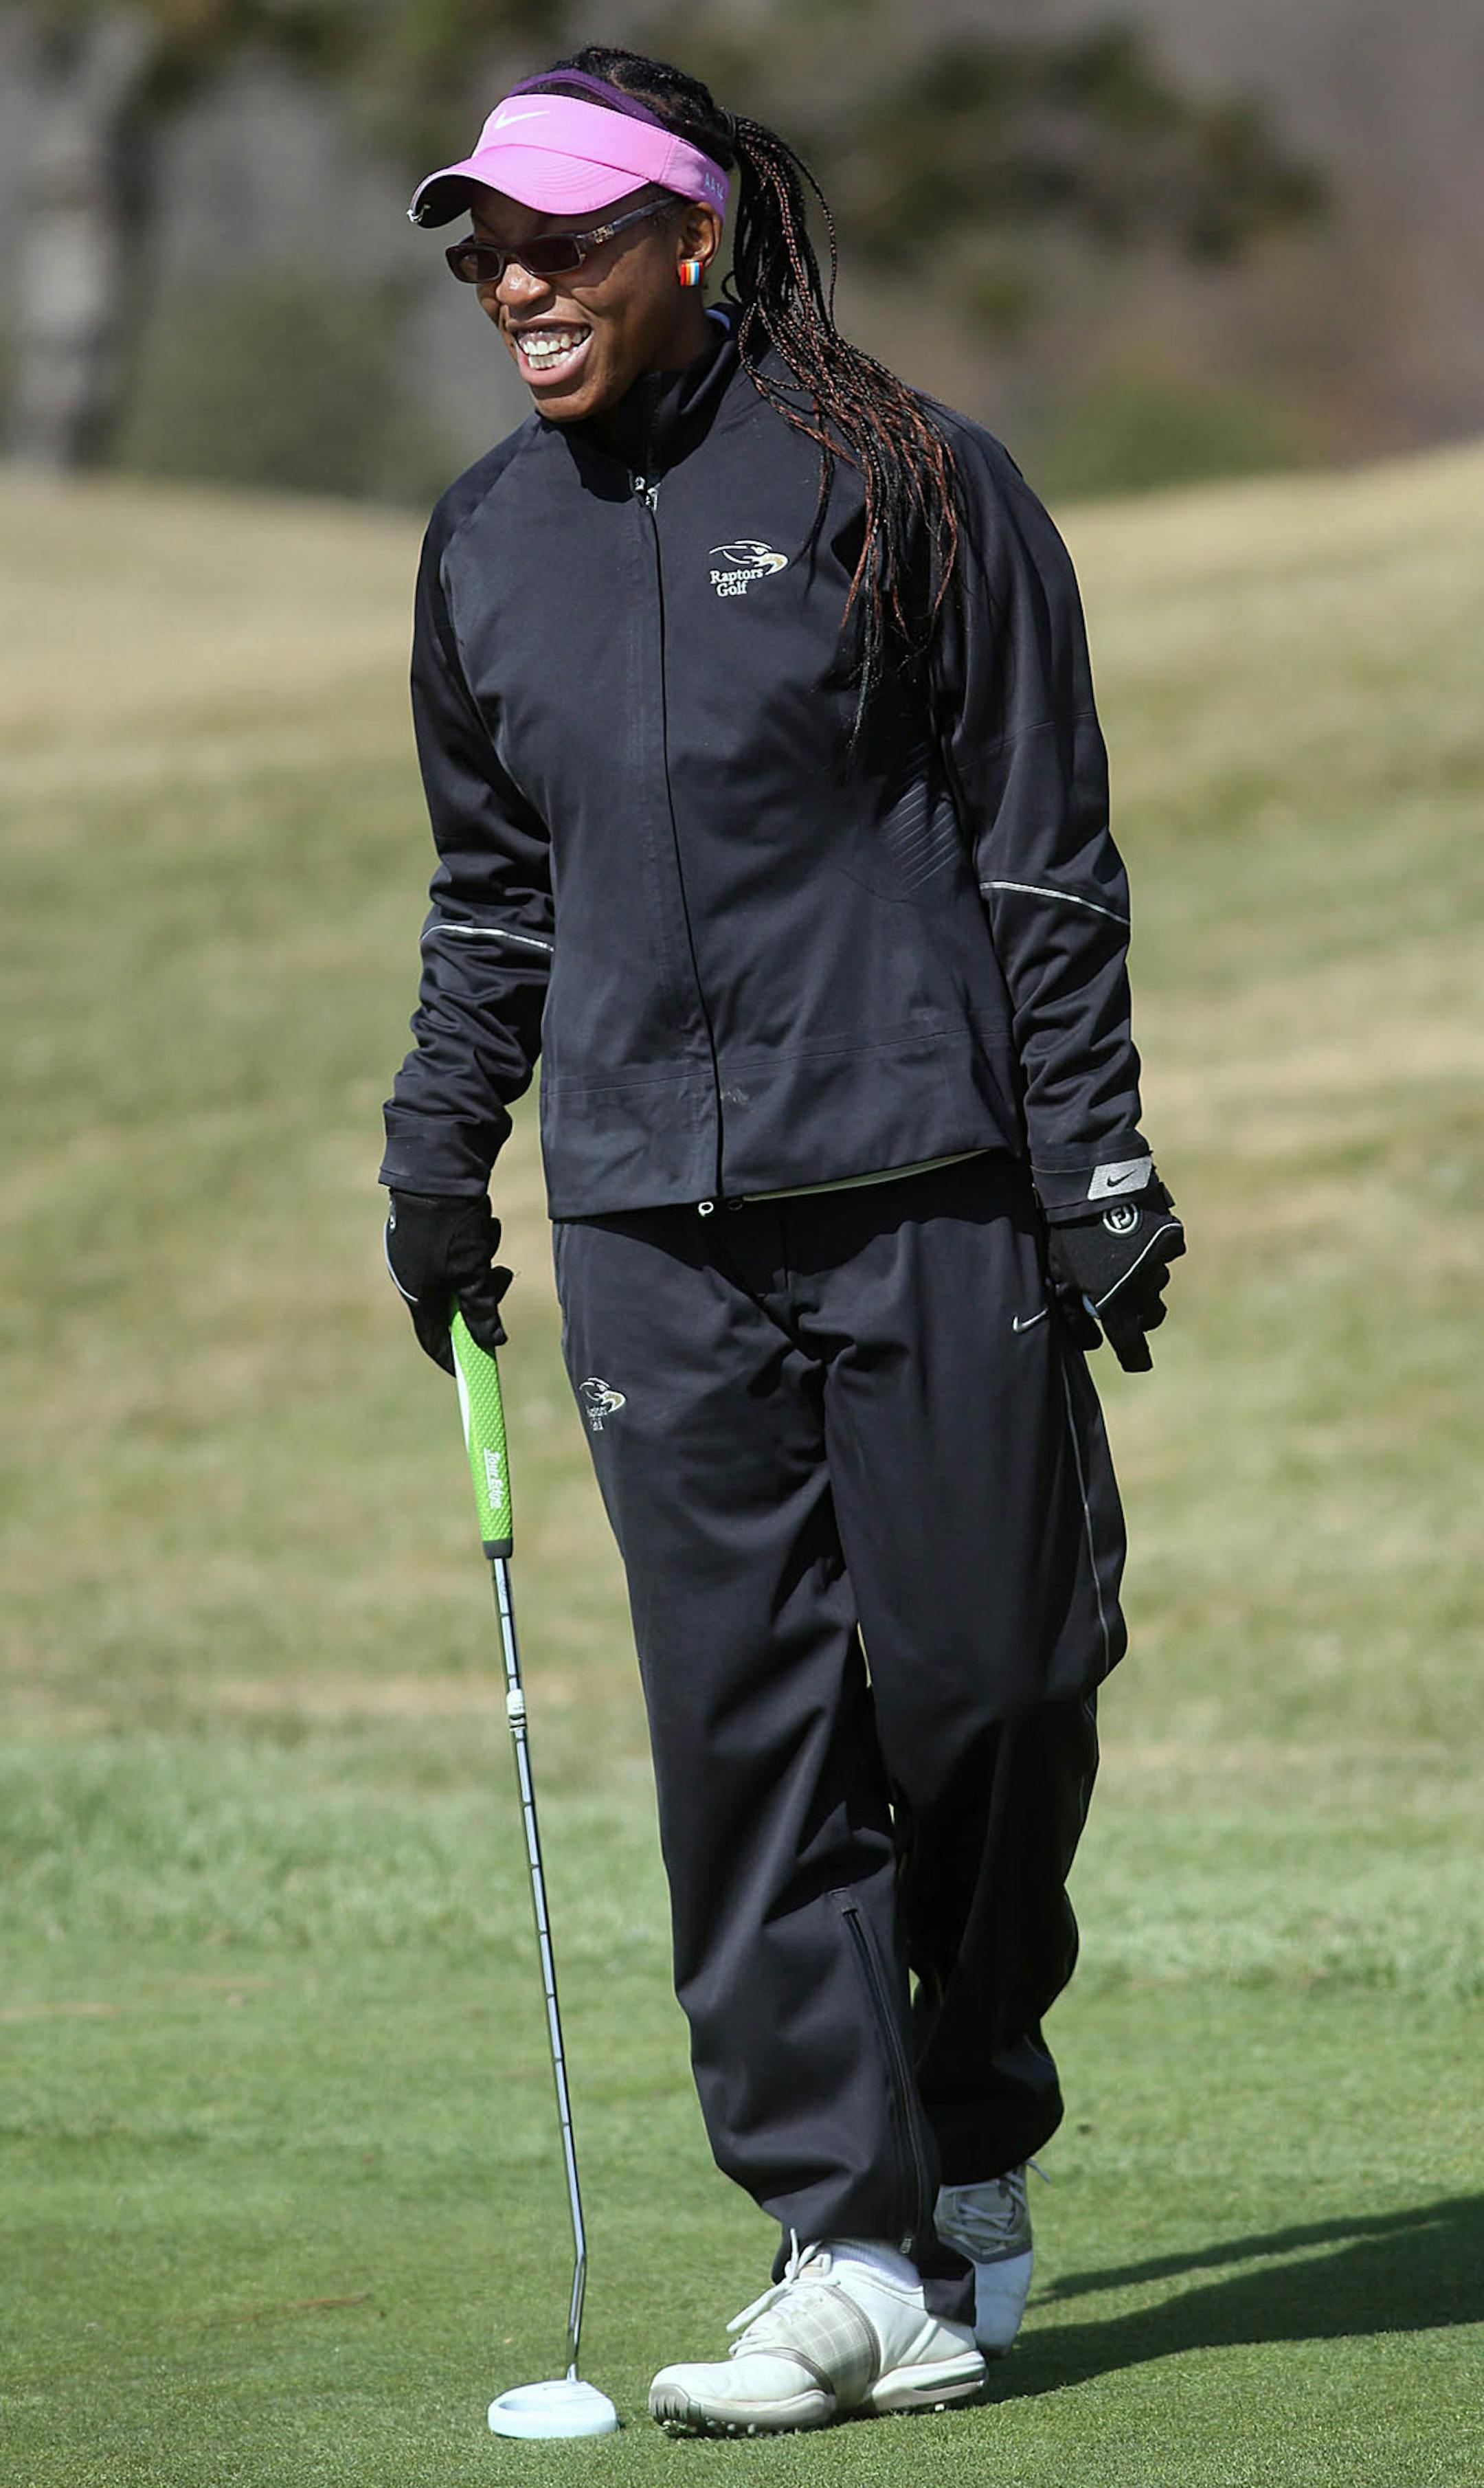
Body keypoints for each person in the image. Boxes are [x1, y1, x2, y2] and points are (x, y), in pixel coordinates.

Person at [380, 44, 1184, 2439]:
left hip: (927, 1180)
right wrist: (444, 1143)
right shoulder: (484, 540)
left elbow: (1044, 842)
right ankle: (847, 2245)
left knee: (999, 1690)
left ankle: (969, 2123)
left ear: (695, 235)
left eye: (563, 237)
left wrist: (1096, 1168)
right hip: (650, 1220)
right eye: (483, 248)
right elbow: (494, 886)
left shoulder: (909, 482)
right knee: (750, 1742)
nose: (515, 280)